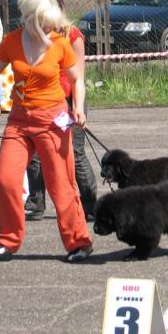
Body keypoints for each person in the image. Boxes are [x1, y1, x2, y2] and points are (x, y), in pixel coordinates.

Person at [0, 0, 93, 262]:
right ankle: (7, 240)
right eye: (45, 20)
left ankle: (79, 242)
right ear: (31, 18)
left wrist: (78, 108)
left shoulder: (60, 43)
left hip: (52, 120)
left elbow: (77, 78)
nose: (51, 26)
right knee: (7, 181)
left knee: (61, 185)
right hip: (18, 122)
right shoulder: (13, 41)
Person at [24, 16, 97, 222]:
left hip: (68, 100)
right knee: (35, 154)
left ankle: (90, 206)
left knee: (75, 153)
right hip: (44, 102)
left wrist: (78, 108)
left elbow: (78, 77)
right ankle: (35, 203)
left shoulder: (73, 36)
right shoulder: (39, 35)